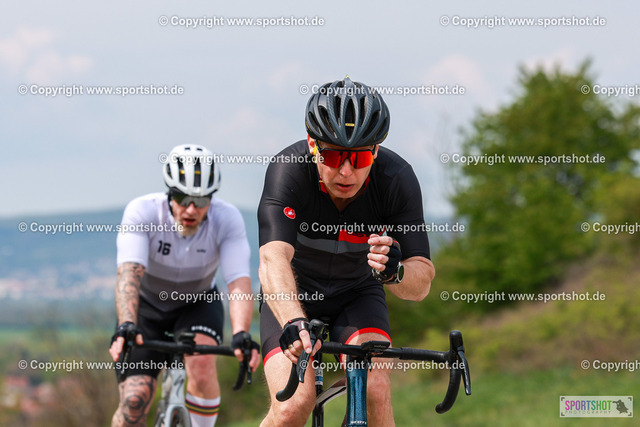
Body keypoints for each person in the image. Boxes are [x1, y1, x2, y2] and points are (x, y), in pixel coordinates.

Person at [257, 77, 435, 426]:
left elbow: (422, 281)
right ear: (313, 145)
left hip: (357, 293)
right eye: (334, 155)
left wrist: (395, 272)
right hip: (294, 293)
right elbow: (272, 259)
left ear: (376, 152)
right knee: (292, 406)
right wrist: (293, 320)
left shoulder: (396, 179)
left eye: (360, 157)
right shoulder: (289, 169)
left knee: (375, 388)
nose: (346, 171)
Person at [109, 144, 260, 427]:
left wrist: (241, 333)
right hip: (147, 308)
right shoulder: (143, 212)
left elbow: (238, 281)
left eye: (200, 200)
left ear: (211, 199)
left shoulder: (227, 219)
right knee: (134, 400)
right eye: (182, 198)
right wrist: (127, 324)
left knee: (202, 365)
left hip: (197, 304)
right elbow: (129, 274)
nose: (191, 209)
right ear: (169, 194)